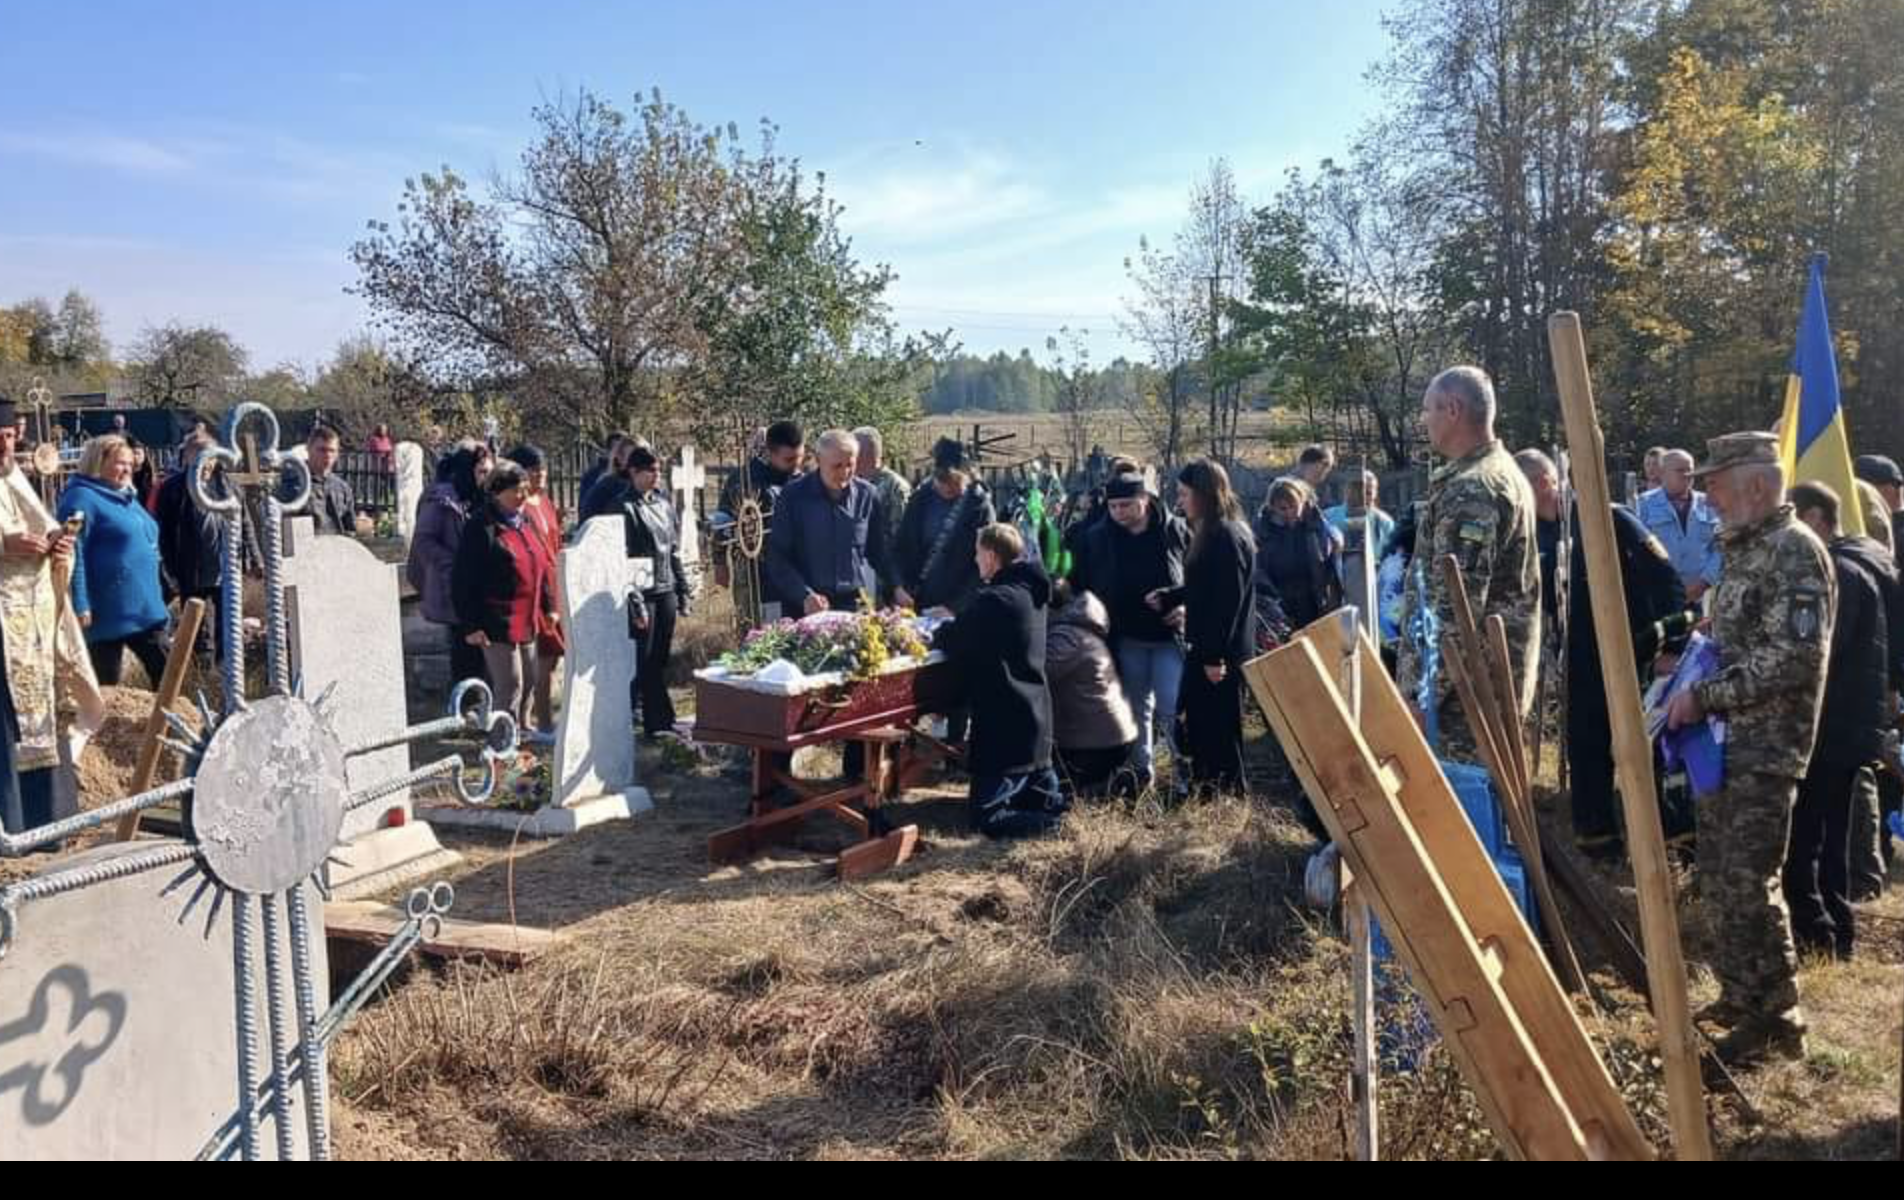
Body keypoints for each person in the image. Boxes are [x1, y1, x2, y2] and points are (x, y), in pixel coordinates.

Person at [1665, 432, 1831, 1067]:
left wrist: (1704, 694)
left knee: (1750, 880)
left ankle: (1777, 1020)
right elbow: (1743, 635)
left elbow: (1793, 658)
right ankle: (1742, 991)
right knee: (1721, 876)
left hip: (1765, 746)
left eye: (1716, 482)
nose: (1706, 494)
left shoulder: (1793, 552)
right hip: (1726, 745)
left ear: (1757, 486)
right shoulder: (1748, 549)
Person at [1517, 449, 1687, 858]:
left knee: (1646, 751)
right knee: (1586, 747)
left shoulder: (1607, 517)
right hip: (1579, 660)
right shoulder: (1532, 532)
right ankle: (1599, 843)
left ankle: (1671, 844)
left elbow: (1666, 582)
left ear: (1543, 481)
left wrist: (1670, 647)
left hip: (1632, 653)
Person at [1396, 367, 1541, 759]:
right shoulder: (1497, 472)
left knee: (1460, 814)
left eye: (1428, 410)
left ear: (1454, 409)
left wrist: (1421, 697)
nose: (1423, 420)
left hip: (1462, 705)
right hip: (1478, 694)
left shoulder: (1472, 490)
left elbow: (1456, 608)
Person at [1784, 483, 1886, 962]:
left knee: (1811, 838)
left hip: (1829, 729)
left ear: (1818, 518)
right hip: (1847, 727)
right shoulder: (1861, 563)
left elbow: (1818, 650)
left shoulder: (1838, 572)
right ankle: (1834, 935)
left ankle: (1820, 935)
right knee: (1828, 837)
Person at [0, 395, 102, 836]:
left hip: (32, 631)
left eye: (7, 437)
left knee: (41, 717)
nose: (5, 448)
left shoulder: (15, 479)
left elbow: (45, 533)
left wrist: (61, 546)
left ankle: (45, 822)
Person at [932, 523, 1067, 839]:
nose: (975, 560)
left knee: (987, 818)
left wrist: (941, 628)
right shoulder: (1032, 592)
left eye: (978, 553)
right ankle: (1057, 822)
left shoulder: (997, 600)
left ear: (991, 556)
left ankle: (1054, 829)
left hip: (1005, 728)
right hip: (1035, 723)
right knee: (1048, 801)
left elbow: (956, 638)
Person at [1068, 469, 1189, 791]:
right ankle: (1139, 773)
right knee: (1135, 707)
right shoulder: (1097, 538)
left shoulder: (1174, 530)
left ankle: (1183, 776)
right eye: (1114, 506)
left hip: (1167, 635)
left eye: (1127, 505)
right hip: (1125, 635)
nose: (1119, 512)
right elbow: (1084, 583)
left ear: (1145, 501)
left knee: (1172, 705)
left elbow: (1196, 577)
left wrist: (1183, 605)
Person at [1151, 458, 1255, 793]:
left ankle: (1225, 793)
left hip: (1220, 652)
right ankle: (1206, 787)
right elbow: (1206, 587)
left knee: (1218, 727)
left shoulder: (1225, 536)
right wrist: (1172, 596)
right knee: (1197, 722)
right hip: (1208, 647)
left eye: (1184, 494)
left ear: (1205, 495)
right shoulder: (1210, 532)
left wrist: (1214, 658)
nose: (1178, 501)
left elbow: (1227, 602)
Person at [451, 461, 558, 731]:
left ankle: (522, 731)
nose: (523, 496)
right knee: (510, 684)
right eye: (516, 490)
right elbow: (463, 579)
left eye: (524, 489)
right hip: (497, 621)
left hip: (528, 618)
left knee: (531, 680)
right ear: (498, 492)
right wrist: (471, 625)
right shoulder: (482, 527)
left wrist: (549, 605)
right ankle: (502, 744)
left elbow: (542, 565)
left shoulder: (527, 522)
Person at [57, 434, 171, 688]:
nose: (128, 469)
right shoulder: (79, 500)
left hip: (143, 608)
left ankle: (167, 725)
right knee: (106, 685)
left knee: (168, 672)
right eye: (121, 463)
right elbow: (71, 552)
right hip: (105, 609)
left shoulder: (125, 496)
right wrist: (80, 602)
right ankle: (106, 727)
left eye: (131, 463)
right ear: (99, 462)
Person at [763, 429, 887, 617]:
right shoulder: (792, 497)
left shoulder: (867, 495)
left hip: (852, 603)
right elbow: (778, 557)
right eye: (837, 466)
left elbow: (879, 551)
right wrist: (804, 595)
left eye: (850, 465)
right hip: (805, 606)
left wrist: (897, 586)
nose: (845, 473)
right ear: (819, 461)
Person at [621, 445, 693, 739]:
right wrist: (634, 599)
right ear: (634, 472)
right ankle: (658, 719)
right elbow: (623, 557)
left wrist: (683, 589)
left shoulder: (663, 505)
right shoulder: (624, 507)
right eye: (650, 471)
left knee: (660, 658)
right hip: (643, 593)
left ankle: (656, 717)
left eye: (658, 470)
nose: (656, 476)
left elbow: (673, 550)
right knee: (645, 658)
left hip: (666, 590)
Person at [409, 441, 492, 687]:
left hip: (485, 589)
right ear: (468, 470)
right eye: (482, 472)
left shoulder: (485, 499)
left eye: (490, 471)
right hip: (455, 589)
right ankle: (464, 711)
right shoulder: (442, 499)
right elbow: (424, 541)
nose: (488, 478)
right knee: (465, 656)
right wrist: (455, 564)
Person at [1046, 581, 1139, 798]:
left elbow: (1037, 673)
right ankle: (1107, 782)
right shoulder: (1080, 628)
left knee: (1054, 795)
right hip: (1106, 736)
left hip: (1095, 741)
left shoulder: (1067, 636)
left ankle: (1114, 786)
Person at [894, 437, 995, 616]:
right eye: (942, 482)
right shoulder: (920, 500)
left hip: (958, 606)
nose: (947, 489)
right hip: (916, 600)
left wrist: (955, 607)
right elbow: (902, 547)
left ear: (968, 476)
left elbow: (987, 566)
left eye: (955, 483)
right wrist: (898, 586)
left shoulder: (979, 507)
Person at [507, 444, 565, 740]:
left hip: (554, 585)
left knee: (553, 656)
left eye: (543, 468)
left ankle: (541, 718)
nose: (540, 474)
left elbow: (555, 543)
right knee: (540, 659)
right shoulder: (520, 507)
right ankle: (537, 721)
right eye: (533, 469)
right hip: (534, 589)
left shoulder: (544, 502)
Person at [1254, 476, 1342, 637]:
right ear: (1272, 507)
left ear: (1302, 501)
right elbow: (1258, 571)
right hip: (1279, 604)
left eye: (1294, 506)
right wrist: (1272, 601)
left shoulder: (1316, 524)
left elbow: (1332, 550)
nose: (1290, 512)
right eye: (1283, 508)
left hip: (1314, 601)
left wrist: (1335, 547)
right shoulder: (1263, 530)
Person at [1637, 449, 1723, 603]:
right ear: (1663, 473)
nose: (1687, 475)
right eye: (1680, 471)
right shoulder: (1644, 504)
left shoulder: (1709, 503)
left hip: (1703, 596)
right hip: (1660, 596)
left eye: (1690, 470)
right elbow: (1638, 551)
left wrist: (1703, 583)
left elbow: (1721, 547)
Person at [854, 426, 911, 605]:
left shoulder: (895, 487)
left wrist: (894, 581)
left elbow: (901, 537)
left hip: (885, 578)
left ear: (866, 453)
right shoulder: (853, 483)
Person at [305, 424, 357, 537]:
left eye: (332, 451)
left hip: (334, 551)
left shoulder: (343, 489)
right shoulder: (294, 484)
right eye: (322, 450)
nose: (327, 455)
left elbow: (350, 530)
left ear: (337, 454)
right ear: (308, 449)